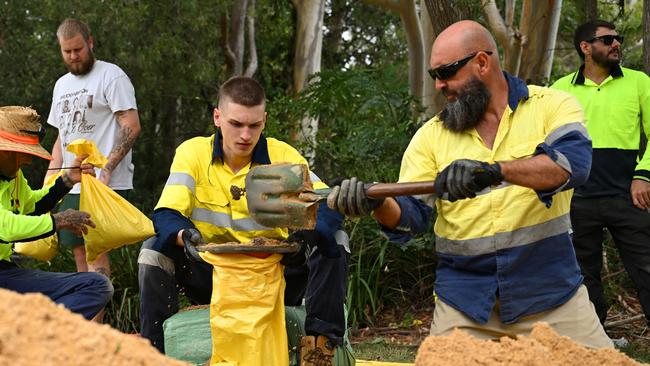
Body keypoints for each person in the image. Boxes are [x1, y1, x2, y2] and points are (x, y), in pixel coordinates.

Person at [327, 20, 612, 348]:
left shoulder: (552, 106)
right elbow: (410, 217)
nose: (438, 85)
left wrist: (495, 171)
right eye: (435, 75)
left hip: (552, 296)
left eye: (446, 72)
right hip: (465, 305)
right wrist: (376, 204)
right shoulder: (430, 136)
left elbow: (572, 165)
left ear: (481, 62)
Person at [138, 76, 349, 365]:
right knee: (153, 250)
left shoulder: (283, 155)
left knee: (335, 238)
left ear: (264, 120)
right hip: (213, 274)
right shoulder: (192, 153)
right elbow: (165, 215)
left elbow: (327, 204)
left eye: (254, 125)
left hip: (275, 276)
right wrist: (185, 236)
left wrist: (304, 237)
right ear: (217, 117)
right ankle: (154, 353)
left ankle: (320, 346)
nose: (245, 136)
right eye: (236, 124)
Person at [551, 19, 650, 326]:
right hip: (577, 199)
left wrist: (643, 175)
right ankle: (596, 342)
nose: (616, 43)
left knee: (646, 268)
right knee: (583, 274)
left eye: (618, 38)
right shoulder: (559, 91)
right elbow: (545, 145)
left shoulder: (639, 82)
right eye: (608, 40)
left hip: (629, 197)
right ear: (586, 47)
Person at [45, 19, 141, 286]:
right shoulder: (61, 85)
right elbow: (61, 138)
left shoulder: (111, 76)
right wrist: (49, 179)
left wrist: (107, 167)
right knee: (79, 255)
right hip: (69, 184)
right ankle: (87, 323)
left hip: (101, 183)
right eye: (68, 51)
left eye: (78, 49)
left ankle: (94, 326)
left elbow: (131, 125)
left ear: (90, 41)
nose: (74, 56)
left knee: (94, 252)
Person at [0, 106, 113, 320]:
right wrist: (59, 220)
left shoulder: (14, 176)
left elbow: (32, 206)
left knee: (96, 285)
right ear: (5, 150)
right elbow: (4, 227)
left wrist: (67, 180)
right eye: (24, 154)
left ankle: (33, 332)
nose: (28, 161)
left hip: (5, 273)